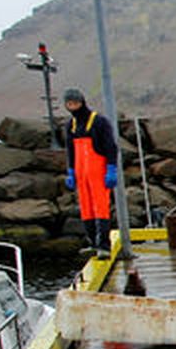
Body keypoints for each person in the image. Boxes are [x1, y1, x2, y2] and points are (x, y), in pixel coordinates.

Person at [62, 87, 120, 259]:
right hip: (81, 172)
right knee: (86, 209)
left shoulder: (99, 121)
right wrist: (71, 171)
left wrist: (111, 169)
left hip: (98, 170)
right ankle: (93, 244)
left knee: (101, 208)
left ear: (82, 102)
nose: (73, 107)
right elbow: (70, 151)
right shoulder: (70, 126)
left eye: (75, 103)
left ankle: (104, 246)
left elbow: (111, 147)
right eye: (69, 104)